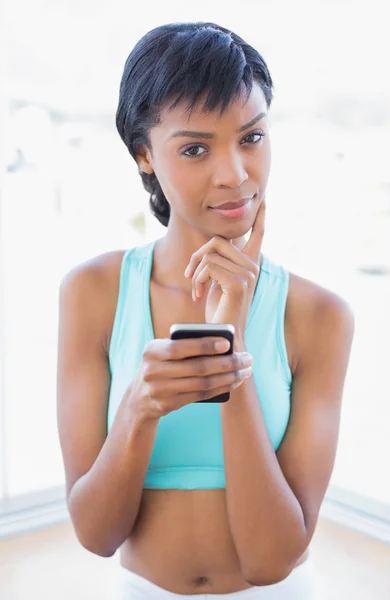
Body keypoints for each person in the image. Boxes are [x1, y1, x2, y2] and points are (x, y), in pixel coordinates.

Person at [57, 21, 355, 599]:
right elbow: (95, 533)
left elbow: (273, 561)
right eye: (195, 148)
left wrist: (233, 350)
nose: (235, 174)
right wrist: (141, 406)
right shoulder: (93, 292)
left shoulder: (321, 316)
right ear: (144, 155)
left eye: (252, 138)